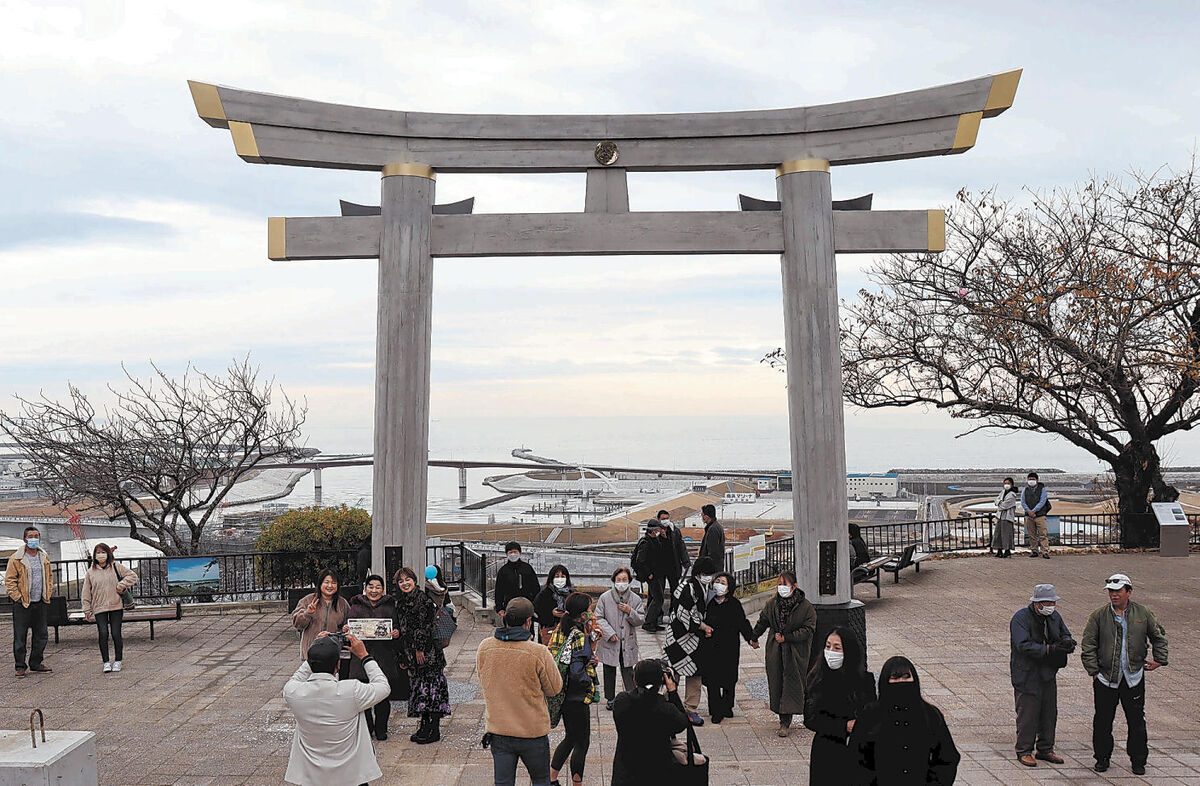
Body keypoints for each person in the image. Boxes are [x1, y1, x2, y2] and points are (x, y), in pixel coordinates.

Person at [1081, 573, 1169, 776]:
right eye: (1110, 591)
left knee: (1137, 721)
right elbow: (1088, 644)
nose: (1113, 595)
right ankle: (1102, 758)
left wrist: (1160, 660)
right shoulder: (1099, 615)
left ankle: (1138, 761)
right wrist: (1093, 671)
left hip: (1133, 677)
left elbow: (1158, 636)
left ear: (1128, 592)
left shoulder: (1143, 613)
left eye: (1118, 591)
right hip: (1106, 678)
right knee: (1102, 720)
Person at [477, 596, 564, 786]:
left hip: (499, 730)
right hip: (532, 732)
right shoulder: (538, 652)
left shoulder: (485, 647)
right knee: (540, 780)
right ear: (528, 622)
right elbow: (554, 688)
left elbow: (483, 678)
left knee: (503, 782)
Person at [283, 632, 389, 786]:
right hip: (351, 775)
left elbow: (297, 677)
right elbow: (383, 686)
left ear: (310, 664)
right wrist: (364, 655)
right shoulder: (352, 691)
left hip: (312, 776)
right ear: (338, 664)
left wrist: (317, 651)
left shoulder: (293, 692)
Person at [850, 655, 960, 786]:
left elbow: (947, 757)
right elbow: (855, 758)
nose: (901, 681)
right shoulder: (870, 715)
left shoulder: (929, 715)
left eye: (906, 677)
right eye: (895, 677)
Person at [1010, 583, 1075, 768]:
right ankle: (1024, 750)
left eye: (1053, 602)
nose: (1051, 606)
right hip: (1027, 673)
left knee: (1049, 712)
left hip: (1048, 672)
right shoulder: (1020, 618)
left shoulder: (1054, 616)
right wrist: (1048, 649)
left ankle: (1045, 749)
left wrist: (1067, 642)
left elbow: (1065, 633)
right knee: (1028, 714)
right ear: (1037, 603)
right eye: (1047, 602)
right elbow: (1022, 645)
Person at [804, 628, 876, 786]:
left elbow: (872, 713)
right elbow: (811, 719)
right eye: (828, 646)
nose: (831, 652)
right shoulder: (817, 679)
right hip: (827, 751)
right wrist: (844, 726)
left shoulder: (865, 680)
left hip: (858, 749)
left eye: (837, 648)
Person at [751, 570, 817, 736]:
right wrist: (754, 636)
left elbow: (808, 630)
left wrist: (788, 637)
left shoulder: (805, 607)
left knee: (795, 684)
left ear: (794, 586)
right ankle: (784, 720)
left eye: (785, 584)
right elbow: (763, 620)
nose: (781, 588)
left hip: (796, 652)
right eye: (779, 584)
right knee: (778, 683)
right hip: (776, 651)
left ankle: (802, 714)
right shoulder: (772, 604)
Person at [546, 592, 600, 786]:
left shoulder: (562, 627)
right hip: (577, 695)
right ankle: (577, 782)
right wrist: (589, 679)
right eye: (589, 609)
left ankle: (552, 779)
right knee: (581, 742)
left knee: (570, 737)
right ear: (582, 614)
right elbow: (578, 670)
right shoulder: (579, 635)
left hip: (563, 691)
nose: (591, 612)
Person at [610, 659, 692, 786]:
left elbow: (637, 696)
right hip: (658, 773)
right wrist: (673, 692)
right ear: (661, 682)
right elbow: (683, 722)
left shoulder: (622, 701)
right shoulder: (666, 710)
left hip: (625, 773)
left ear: (635, 680)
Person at [393, 566, 451, 744]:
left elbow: (425, 627)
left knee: (432, 691)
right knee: (421, 692)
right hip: (412, 654)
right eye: (401, 581)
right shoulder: (402, 601)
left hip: (428, 654)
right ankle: (424, 726)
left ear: (414, 580)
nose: (405, 583)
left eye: (407, 579)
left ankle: (434, 730)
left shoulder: (422, 599)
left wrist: (419, 649)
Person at [345, 574, 401, 741]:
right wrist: (346, 628)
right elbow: (348, 626)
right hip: (359, 659)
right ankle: (368, 727)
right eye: (371, 586)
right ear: (365, 588)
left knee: (382, 695)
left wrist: (396, 633)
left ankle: (381, 728)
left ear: (383, 590)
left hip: (383, 656)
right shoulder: (355, 606)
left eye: (378, 587)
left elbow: (397, 626)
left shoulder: (390, 607)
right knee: (363, 696)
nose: (374, 590)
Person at [663, 554, 717, 726]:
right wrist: (702, 626)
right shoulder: (685, 588)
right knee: (674, 671)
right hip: (679, 636)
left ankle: (690, 708)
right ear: (699, 573)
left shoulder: (704, 587)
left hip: (695, 638)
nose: (708, 577)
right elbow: (684, 614)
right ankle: (666, 705)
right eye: (706, 573)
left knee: (695, 672)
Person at [699, 571, 757, 723]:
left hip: (729, 647)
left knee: (729, 678)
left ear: (729, 587)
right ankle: (716, 710)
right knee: (713, 679)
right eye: (717, 581)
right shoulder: (709, 603)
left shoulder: (734, 604)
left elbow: (742, 623)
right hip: (711, 646)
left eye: (723, 582)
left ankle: (727, 706)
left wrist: (751, 638)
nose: (718, 584)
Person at [80, 542, 139, 673]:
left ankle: (118, 660)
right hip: (99, 607)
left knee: (116, 633)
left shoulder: (116, 567)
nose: (101, 555)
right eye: (98, 552)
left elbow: (133, 576)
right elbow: (86, 592)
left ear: (108, 554)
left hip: (115, 605)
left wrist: (121, 585)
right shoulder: (91, 572)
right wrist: (86, 609)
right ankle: (106, 662)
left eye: (103, 552)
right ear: (94, 555)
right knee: (103, 633)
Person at [5, 526, 53, 678]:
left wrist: (48, 593)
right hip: (22, 603)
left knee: (42, 635)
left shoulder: (43, 556)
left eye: (36, 536)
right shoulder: (16, 558)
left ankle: (36, 663)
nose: (34, 538)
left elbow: (50, 576)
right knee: (20, 636)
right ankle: (20, 666)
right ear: (25, 539)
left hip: (40, 601)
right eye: (30, 536)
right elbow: (10, 580)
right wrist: (17, 597)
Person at [594, 566, 645, 711]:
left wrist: (630, 611)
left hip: (627, 641)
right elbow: (598, 618)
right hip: (611, 641)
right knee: (609, 669)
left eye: (624, 579)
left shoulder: (635, 599)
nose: (621, 582)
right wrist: (609, 633)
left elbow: (640, 619)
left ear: (629, 581)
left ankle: (631, 694)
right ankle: (610, 698)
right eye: (619, 579)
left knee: (628, 670)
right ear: (614, 580)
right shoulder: (605, 598)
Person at [292, 569, 351, 662]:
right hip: (310, 652)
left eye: (334, 583)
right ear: (320, 584)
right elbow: (297, 624)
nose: (330, 586)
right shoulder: (308, 600)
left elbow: (348, 623)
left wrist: (345, 628)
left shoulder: (342, 603)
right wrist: (308, 613)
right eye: (326, 582)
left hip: (332, 653)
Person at [631, 520, 673, 632]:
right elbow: (641, 561)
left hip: (657, 574)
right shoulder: (645, 542)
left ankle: (652, 622)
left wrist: (664, 538)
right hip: (652, 575)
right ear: (653, 530)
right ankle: (649, 622)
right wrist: (648, 573)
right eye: (658, 529)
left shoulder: (654, 540)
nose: (659, 531)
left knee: (653, 597)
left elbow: (663, 553)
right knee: (658, 598)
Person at [494, 541, 540, 622]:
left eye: (515, 552)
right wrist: (499, 608)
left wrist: (535, 605)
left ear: (520, 553)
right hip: (510, 607)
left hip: (527, 606)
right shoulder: (503, 571)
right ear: (507, 554)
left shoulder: (527, 568)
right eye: (510, 552)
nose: (513, 554)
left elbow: (536, 588)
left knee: (527, 630)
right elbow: (499, 591)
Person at [534, 564, 574, 645]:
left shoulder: (572, 594)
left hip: (568, 632)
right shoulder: (544, 594)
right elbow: (536, 614)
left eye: (562, 576)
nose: (560, 579)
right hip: (549, 632)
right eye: (557, 576)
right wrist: (551, 614)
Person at [656, 509, 690, 600]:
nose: (665, 521)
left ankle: (674, 610)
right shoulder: (655, 532)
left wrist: (686, 562)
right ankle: (657, 612)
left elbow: (681, 547)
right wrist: (660, 536)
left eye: (667, 518)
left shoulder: (675, 531)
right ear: (658, 519)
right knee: (658, 592)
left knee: (675, 590)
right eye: (663, 519)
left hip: (673, 565)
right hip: (659, 567)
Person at [1020, 472, 1051, 558]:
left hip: (1040, 515)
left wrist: (1033, 511)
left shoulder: (1042, 489)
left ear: (1037, 480)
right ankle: (1034, 551)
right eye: (1029, 479)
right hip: (1029, 516)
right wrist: (1029, 511)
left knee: (1043, 534)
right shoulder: (1025, 490)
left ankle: (1045, 551)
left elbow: (1042, 501)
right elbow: (1023, 502)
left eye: (1033, 479)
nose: (1031, 481)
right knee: (1031, 535)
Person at [992, 477, 1018, 558]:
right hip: (1000, 516)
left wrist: (999, 503)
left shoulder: (1012, 495)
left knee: (1006, 534)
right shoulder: (1003, 492)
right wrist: (999, 502)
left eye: (1008, 483)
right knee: (998, 534)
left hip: (1007, 517)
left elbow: (1004, 506)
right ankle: (999, 550)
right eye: (1005, 483)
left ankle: (1007, 551)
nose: (1006, 485)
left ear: (1012, 484)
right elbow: (996, 500)